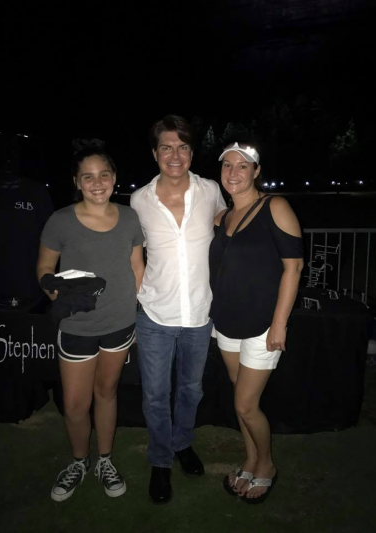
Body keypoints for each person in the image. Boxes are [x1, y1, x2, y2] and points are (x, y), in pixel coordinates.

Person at [37, 143, 145, 502]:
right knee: (74, 404)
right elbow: (44, 267)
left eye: (104, 174)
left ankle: (104, 460)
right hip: (78, 325)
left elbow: (137, 267)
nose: (97, 183)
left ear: (114, 178)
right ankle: (79, 461)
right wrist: (55, 292)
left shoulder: (130, 218)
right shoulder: (60, 220)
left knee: (107, 393)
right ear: (76, 182)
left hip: (119, 323)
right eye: (88, 176)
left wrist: (134, 308)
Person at [130, 115, 226, 504]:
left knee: (191, 388)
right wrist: (136, 296)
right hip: (155, 313)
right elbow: (134, 255)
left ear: (191, 152)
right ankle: (160, 460)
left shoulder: (210, 190)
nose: (175, 155)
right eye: (166, 147)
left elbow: (229, 227)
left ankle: (182, 442)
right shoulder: (139, 200)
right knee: (155, 395)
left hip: (199, 313)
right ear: (155, 153)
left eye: (182, 147)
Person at [209, 141, 303, 504]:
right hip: (226, 321)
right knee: (239, 399)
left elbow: (294, 267)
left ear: (256, 171)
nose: (233, 172)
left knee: (246, 404)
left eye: (243, 166)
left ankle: (266, 464)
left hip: (262, 324)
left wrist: (279, 324)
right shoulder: (221, 218)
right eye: (227, 165)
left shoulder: (274, 207)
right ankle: (250, 459)